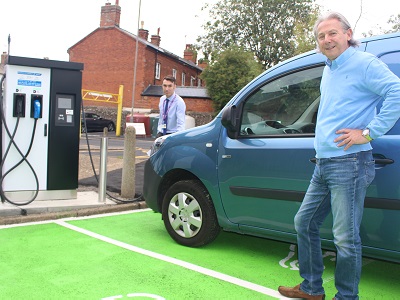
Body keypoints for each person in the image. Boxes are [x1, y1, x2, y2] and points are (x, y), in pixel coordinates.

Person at [278, 12, 400, 300]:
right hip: (325, 163)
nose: (326, 40)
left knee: (345, 238)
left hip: (350, 163)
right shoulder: (329, 68)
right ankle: (311, 288)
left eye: (332, 33)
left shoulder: (363, 62)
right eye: (321, 36)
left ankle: (346, 297)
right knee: (304, 223)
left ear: (348, 33)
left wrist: (368, 133)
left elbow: (397, 91)